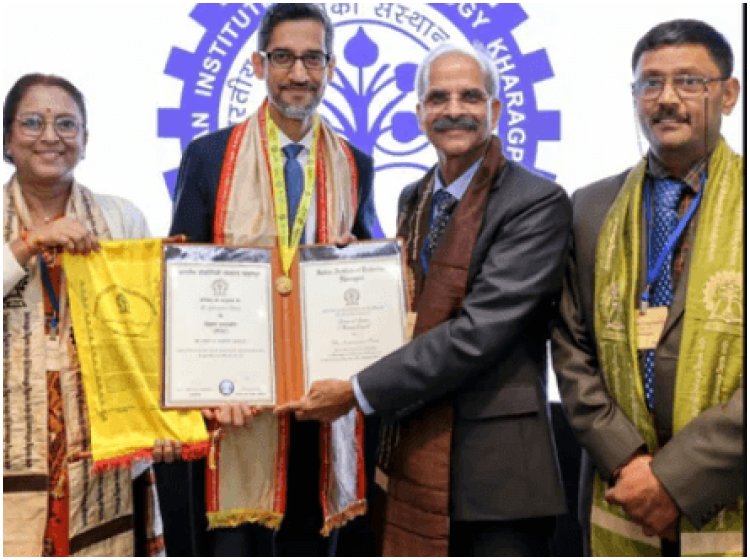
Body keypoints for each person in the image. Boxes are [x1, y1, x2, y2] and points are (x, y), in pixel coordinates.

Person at [279, 43, 572, 556]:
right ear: (419, 114)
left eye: (470, 97)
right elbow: (409, 308)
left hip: (497, 480)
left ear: (496, 110)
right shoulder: (414, 197)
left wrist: (357, 389)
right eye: (438, 98)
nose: (454, 109)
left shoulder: (536, 202)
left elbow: (478, 333)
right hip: (415, 456)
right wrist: (360, 268)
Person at [168, 4, 377, 556]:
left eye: (313, 58)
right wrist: (206, 387)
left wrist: (361, 260)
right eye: (283, 57)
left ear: (331, 68)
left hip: (317, 412)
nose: (299, 74)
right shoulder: (210, 156)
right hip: (235, 411)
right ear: (259, 64)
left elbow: (369, 260)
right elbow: (181, 283)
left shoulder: (354, 162)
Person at [550, 19, 743, 556]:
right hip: (622, 488)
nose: (667, 99)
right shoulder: (590, 208)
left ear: (728, 95)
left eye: (690, 82)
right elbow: (570, 346)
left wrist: (677, 479)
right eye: (650, 84)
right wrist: (632, 464)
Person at [2, 73, 165, 556]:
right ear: (8, 139)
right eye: (32, 122)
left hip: (101, 454)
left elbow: (149, 333)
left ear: (86, 141)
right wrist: (27, 244)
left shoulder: (121, 218)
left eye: (66, 124)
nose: (50, 136)